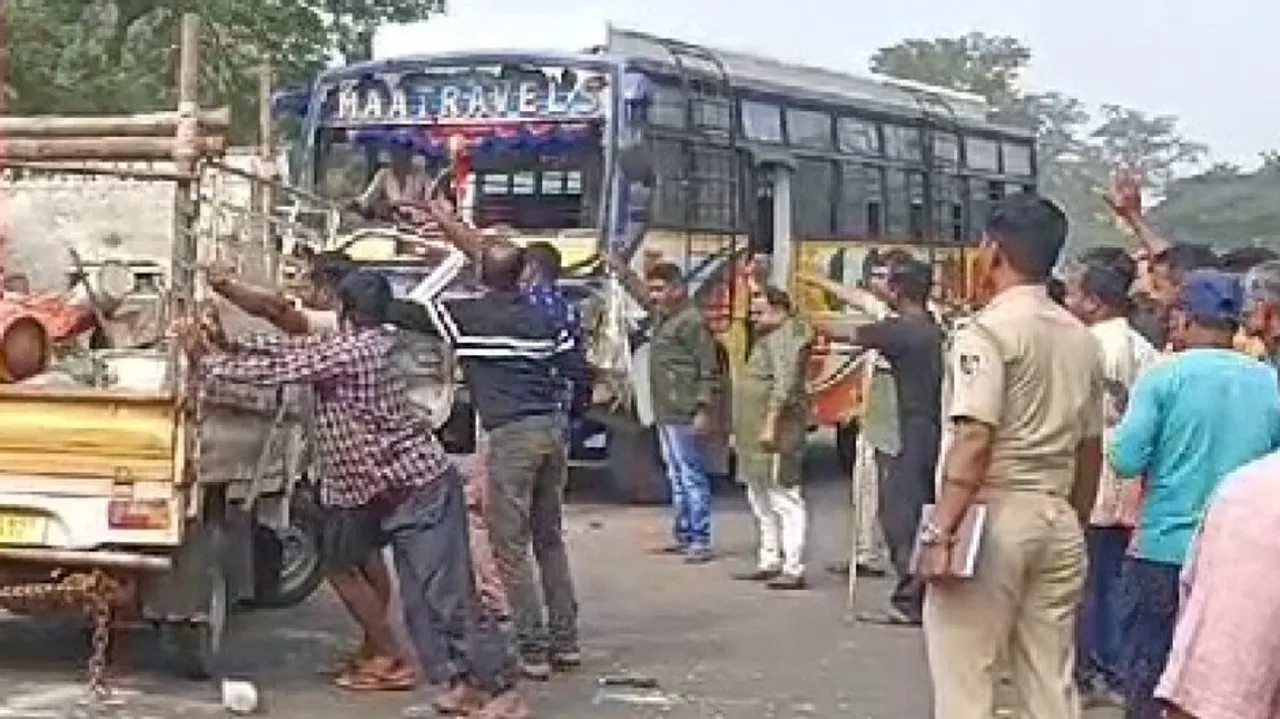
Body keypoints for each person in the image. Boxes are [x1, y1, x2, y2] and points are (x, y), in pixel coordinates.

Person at [187, 271, 530, 717]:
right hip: (388, 490)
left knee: (449, 594)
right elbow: (289, 348)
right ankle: (461, 683)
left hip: (417, 486)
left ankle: (503, 691)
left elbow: (282, 367)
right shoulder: (357, 342)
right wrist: (224, 343)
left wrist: (206, 360)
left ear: (344, 307)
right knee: (419, 598)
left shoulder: (356, 351)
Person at [923, 193, 1105, 719]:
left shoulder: (985, 331)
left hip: (991, 516)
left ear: (993, 251)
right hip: (1058, 514)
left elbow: (975, 437)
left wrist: (941, 531)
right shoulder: (1080, 337)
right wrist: (1076, 517)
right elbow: (1090, 447)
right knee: (1049, 677)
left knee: (966, 678)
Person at [206, 251, 411, 688]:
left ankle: (389, 653)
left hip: (357, 473)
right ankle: (376, 647)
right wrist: (227, 343)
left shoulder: (347, 341)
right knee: (366, 559)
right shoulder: (369, 336)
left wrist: (213, 345)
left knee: (341, 565)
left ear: (333, 297)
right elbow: (284, 344)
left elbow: (284, 349)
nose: (301, 291)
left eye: (307, 283)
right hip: (369, 471)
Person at [404, 238, 588, 682]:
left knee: (510, 546)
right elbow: (576, 371)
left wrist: (451, 263)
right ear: (523, 271)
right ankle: (566, 643)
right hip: (551, 431)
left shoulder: (468, 319)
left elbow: (415, 304)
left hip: (509, 436)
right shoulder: (547, 318)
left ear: (481, 275)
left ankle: (533, 648)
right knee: (549, 539)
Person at [1108, 269, 1280, 719]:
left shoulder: (1162, 378)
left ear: (1184, 319)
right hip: (1239, 560)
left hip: (1163, 548)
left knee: (1149, 676)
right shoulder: (1269, 382)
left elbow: (1126, 458)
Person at [808, 257, 943, 626]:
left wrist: (801, 319)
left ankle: (911, 597)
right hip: (928, 428)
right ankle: (919, 591)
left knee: (902, 518)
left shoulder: (901, 330)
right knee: (915, 513)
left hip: (906, 432)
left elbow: (847, 334)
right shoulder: (930, 325)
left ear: (898, 291)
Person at [1063, 260, 1160, 707]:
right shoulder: (1145, 350)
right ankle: (1115, 666)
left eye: (1075, 294)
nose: (1068, 302)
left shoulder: (1082, 345)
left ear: (1094, 302)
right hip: (1128, 484)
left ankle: (1085, 671)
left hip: (1090, 474)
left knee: (1085, 582)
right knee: (1116, 580)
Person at [605, 253, 722, 564]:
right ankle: (685, 534)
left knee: (691, 475)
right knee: (676, 474)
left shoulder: (692, 322)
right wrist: (622, 271)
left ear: (678, 288)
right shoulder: (665, 316)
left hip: (683, 409)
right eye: (653, 290)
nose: (655, 295)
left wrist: (703, 408)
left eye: (660, 289)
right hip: (665, 409)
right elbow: (642, 296)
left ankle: (700, 538)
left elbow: (707, 369)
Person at [730, 286, 813, 590]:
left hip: (775, 432)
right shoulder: (770, 337)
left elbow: (785, 384)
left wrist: (770, 424)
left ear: (780, 310)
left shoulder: (787, 338)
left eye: (759, 312)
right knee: (760, 496)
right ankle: (769, 559)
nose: (753, 319)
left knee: (784, 498)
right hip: (754, 431)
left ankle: (793, 566)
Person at [352, 141, 432, 220]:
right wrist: (357, 204)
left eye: (404, 154)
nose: (399, 158)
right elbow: (368, 196)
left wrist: (403, 203)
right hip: (392, 222)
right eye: (395, 153)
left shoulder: (422, 176)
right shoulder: (383, 174)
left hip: (420, 222)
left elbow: (432, 204)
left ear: (410, 155)